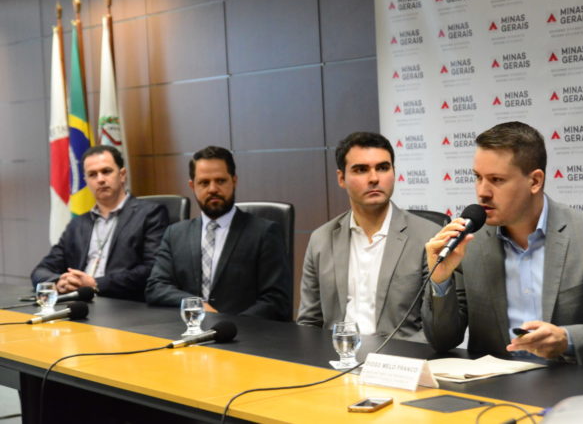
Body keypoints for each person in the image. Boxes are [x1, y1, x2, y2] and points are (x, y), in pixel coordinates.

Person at [422, 121, 583, 370]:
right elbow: (443, 341)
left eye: (497, 180)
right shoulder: (469, 241)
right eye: (478, 177)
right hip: (498, 384)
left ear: (535, 181)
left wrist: (566, 339)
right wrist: (440, 280)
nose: (482, 192)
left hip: (574, 378)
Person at [297, 132, 440, 340]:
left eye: (383, 168)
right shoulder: (321, 240)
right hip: (337, 354)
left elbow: (437, 329)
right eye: (361, 170)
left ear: (394, 172)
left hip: (401, 356)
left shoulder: (429, 237)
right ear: (341, 178)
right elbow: (309, 323)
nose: (374, 178)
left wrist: (392, 356)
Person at [145, 146, 291, 320]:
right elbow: (156, 287)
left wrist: (231, 326)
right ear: (192, 186)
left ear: (234, 181)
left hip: (244, 333)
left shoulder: (264, 233)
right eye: (204, 183)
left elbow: (277, 301)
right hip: (188, 331)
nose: (213, 189)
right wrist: (197, 305)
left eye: (220, 181)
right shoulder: (175, 233)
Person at [32, 145, 169, 301]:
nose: (100, 179)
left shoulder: (150, 214)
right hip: (80, 303)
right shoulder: (78, 224)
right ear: (86, 181)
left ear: (122, 175)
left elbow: (152, 269)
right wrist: (59, 282)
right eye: (92, 174)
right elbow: (41, 270)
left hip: (123, 304)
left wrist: (96, 284)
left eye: (106, 171)